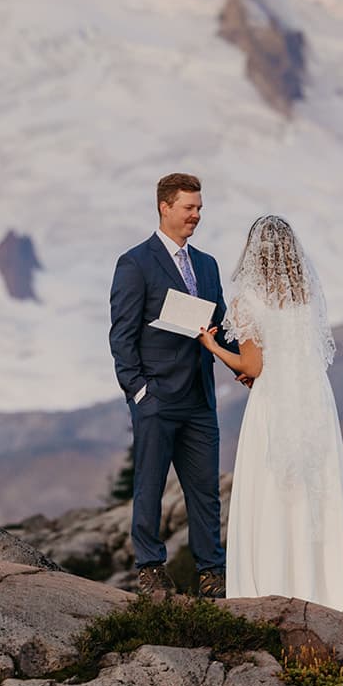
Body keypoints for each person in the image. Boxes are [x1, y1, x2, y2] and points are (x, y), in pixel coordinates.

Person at [196, 214, 343, 619]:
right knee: (316, 490)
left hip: (274, 402)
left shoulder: (249, 302)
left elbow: (253, 367)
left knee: (273, 489)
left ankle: (274, 586)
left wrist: (213, 346)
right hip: (314, 402)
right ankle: (326, 587)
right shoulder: (307, 299)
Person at [109, 172, 242, 600]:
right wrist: (139, 391)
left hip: (201, 399)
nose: (196, 216)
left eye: (200, 208)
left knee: (205, 491)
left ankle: (212, 574)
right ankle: (149, 569)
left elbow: (220, 325)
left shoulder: (207, 264)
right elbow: (121, 334)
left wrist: (245, 361)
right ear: (165, 207)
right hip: (157, 398)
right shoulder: (135, 263)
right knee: (149, 486)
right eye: (189, 208)